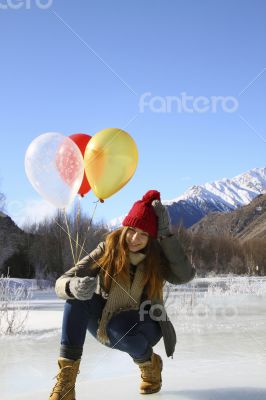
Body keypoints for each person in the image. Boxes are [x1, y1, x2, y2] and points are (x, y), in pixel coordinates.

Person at [49, 190, 196, 399]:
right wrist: (72, 287)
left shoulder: (156, 258)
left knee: (120, 326)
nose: (135, 239)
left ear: (151, 238)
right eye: (132, 230)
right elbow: (61, 282)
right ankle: (66, 385)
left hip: (146, 324)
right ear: (125, 228)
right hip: (106, 323)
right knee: (77, 298)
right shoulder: (107, 250)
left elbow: (185, 275)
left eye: (144, 234)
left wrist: (165, 234)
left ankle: (149, 364)